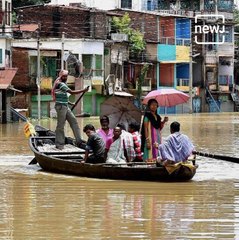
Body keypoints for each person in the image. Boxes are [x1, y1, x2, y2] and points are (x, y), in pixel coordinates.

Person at [52, 69, 89, 150]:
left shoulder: (61, 84)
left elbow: (61, 97)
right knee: (60, 126)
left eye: (66, 76)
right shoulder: (60, 84)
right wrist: (84, 90)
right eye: (64, 76)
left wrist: (71, 103)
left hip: (64, 106)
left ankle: (79, 141)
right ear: (61, 76)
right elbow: (71, 92)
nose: (65, 77)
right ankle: (59, 144)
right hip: (61, 107)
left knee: (74, 122)